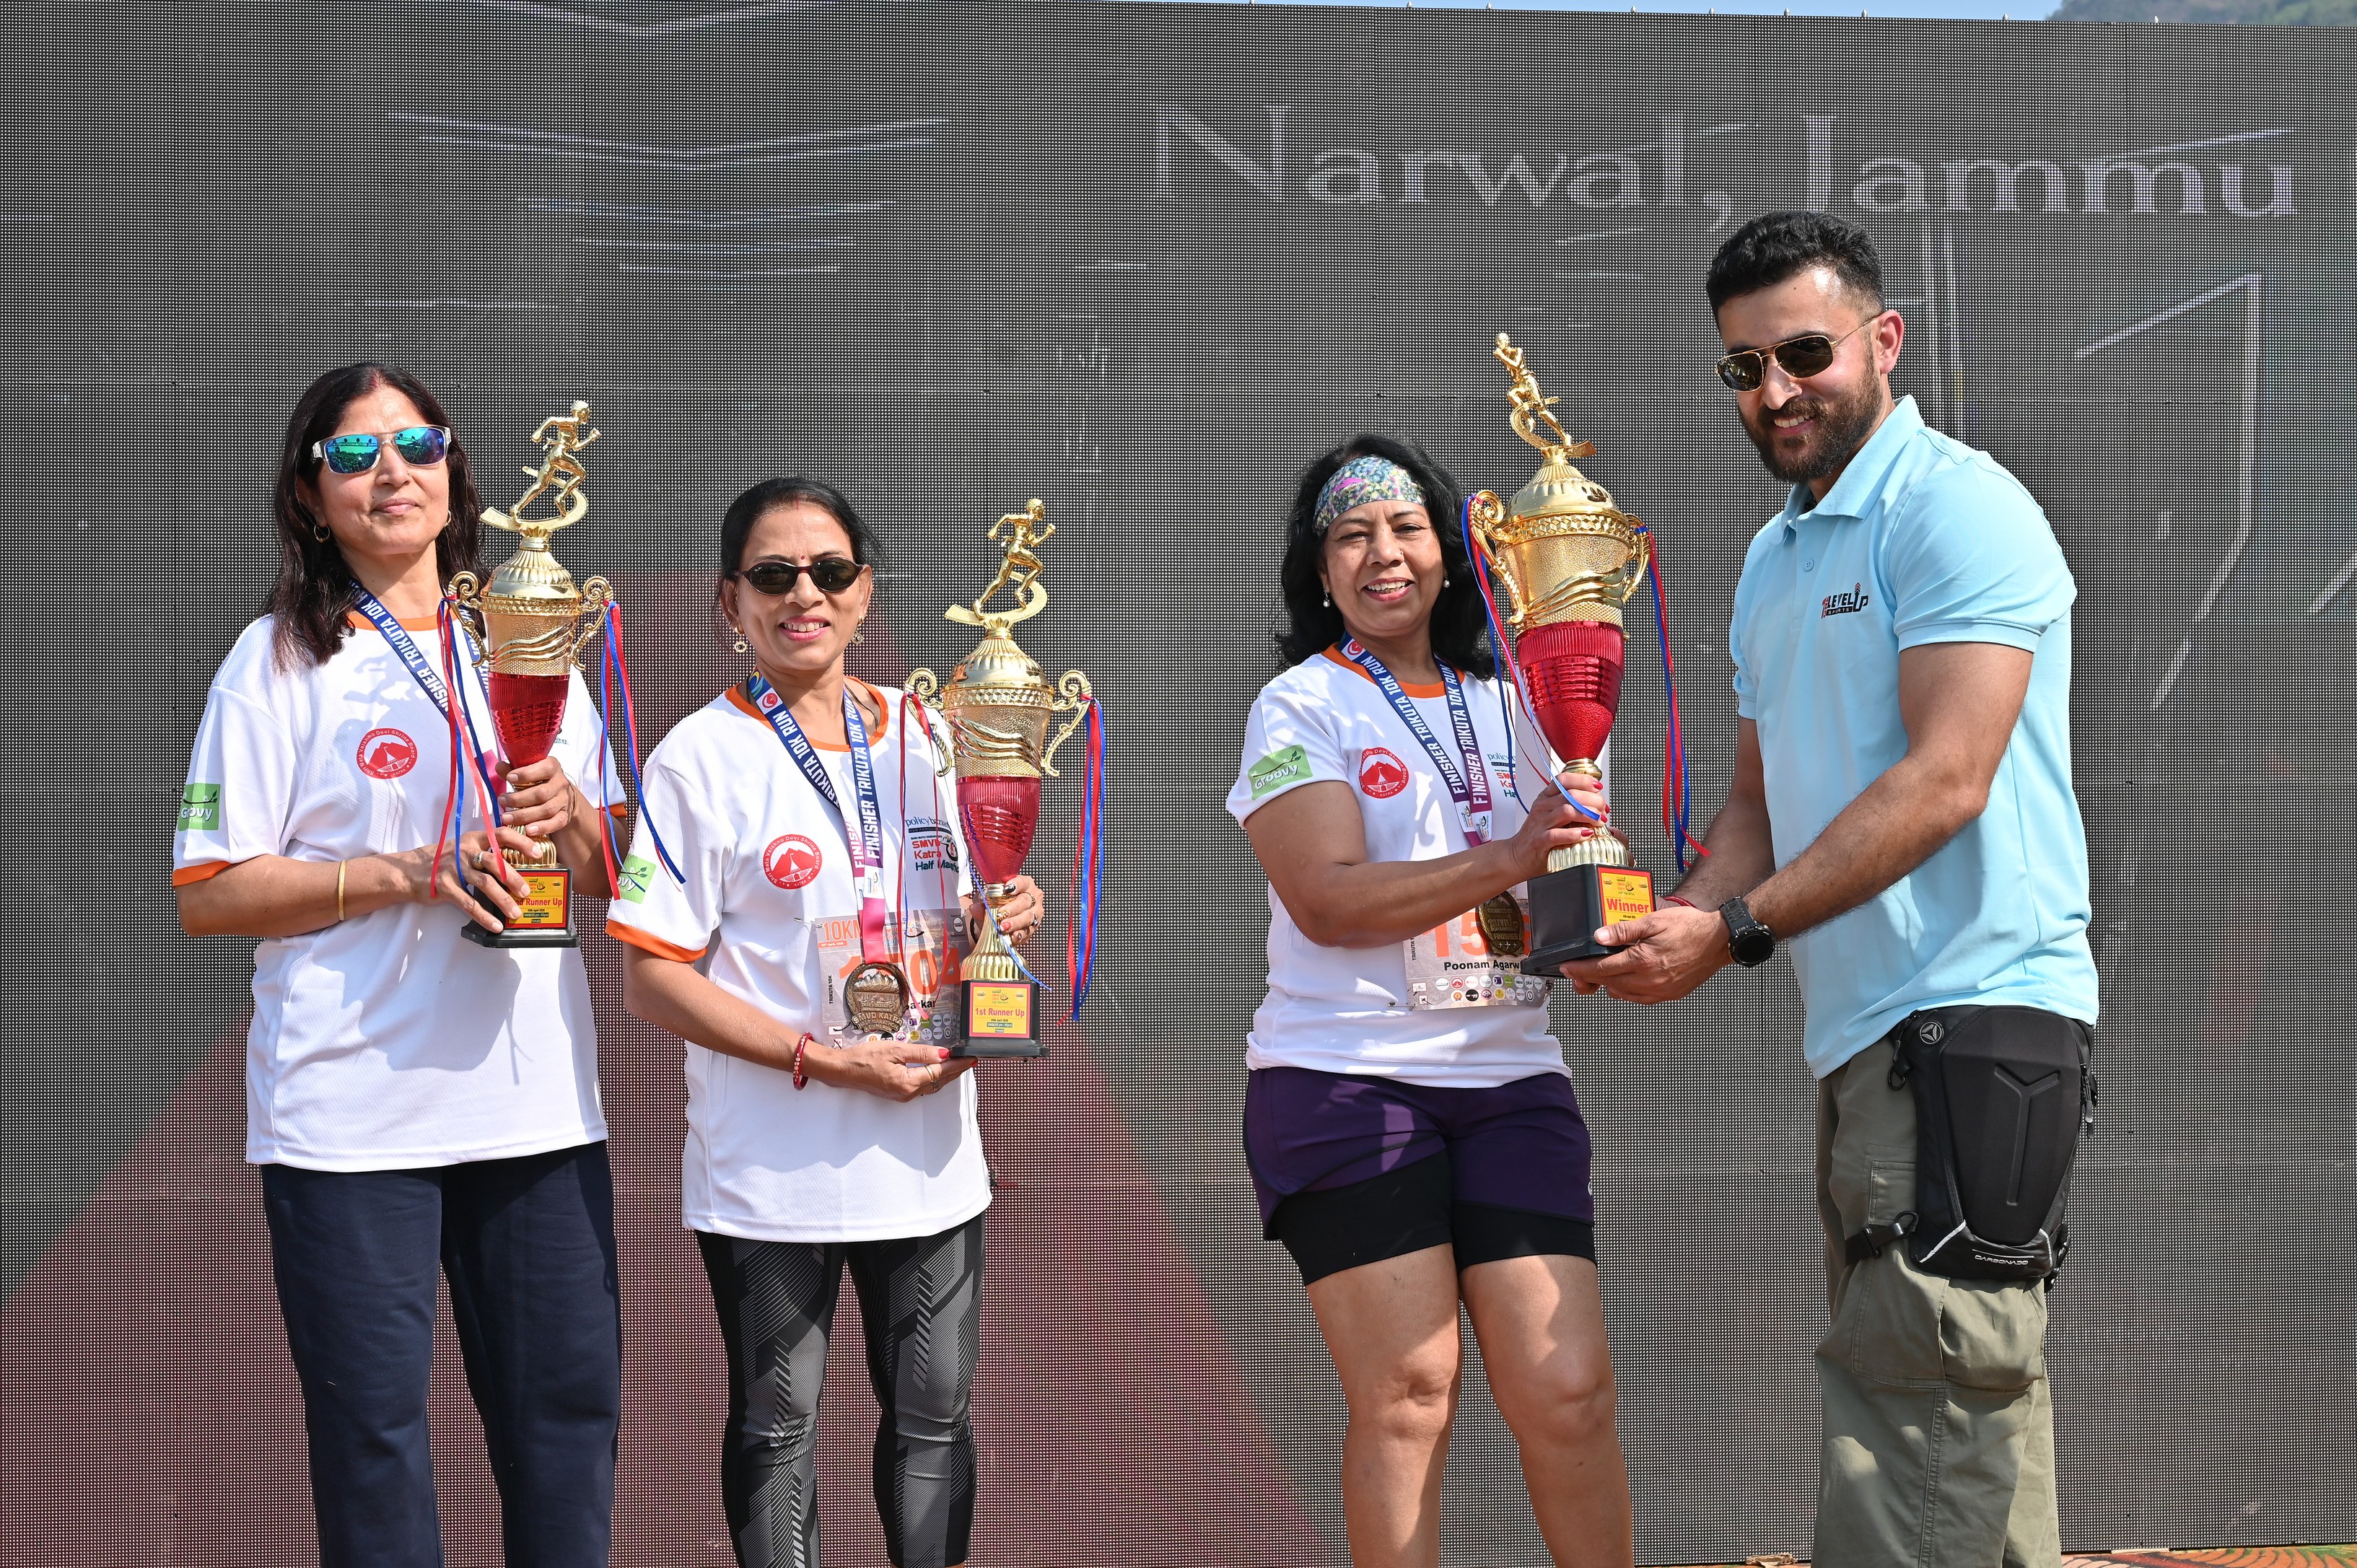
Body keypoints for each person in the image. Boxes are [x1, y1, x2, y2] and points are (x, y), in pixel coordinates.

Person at [1567, 212, 2099, 1567]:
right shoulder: (1773, 558)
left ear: (1883, 339)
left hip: (1967, 1020)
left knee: (1913, 1429)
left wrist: (1734, 931)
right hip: (1874, 1041)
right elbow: (1754, 808)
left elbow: (1946, 777)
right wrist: (1678, 915)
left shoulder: (1957, 505)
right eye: (1742, 368)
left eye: (1803, 353)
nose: (1775, 390)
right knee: (1963, 1426)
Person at [173, 364, 624, 1567]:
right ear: (309, 493)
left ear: (453, 472)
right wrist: (404, 871)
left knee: (566, 1429)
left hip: (533, 1112)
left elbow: (611, 869)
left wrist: (575, 812)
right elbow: (209, 890)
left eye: (417, 445)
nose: (391, 473)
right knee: (373, 1443)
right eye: (353, 453)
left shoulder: (526, 632)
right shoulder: (276, 658)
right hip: (351, 1116)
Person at [607, 477, 1043, 1568]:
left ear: (864, 592)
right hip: (774, 1165)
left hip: (926, 1155)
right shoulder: (698, 756)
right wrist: (821, 1058)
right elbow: (652, 978)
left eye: (830, 571)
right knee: (779, 1425)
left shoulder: (936, 730)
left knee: (935, 1418)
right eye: (774, 574)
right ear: (732, 601)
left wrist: (1003, 912)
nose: (804, 594)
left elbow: (969, 903)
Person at [1226, 437, 1635, 1568]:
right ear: (1319, 572)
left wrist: (1598, 937)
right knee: (1410, 1390)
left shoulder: (1527, 698)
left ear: (1451, 553)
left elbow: (1560, 886)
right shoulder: (1299, 703)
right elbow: (1326, 899)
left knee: (1568, 1387)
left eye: (1405, 528)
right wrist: (1508, 856)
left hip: (1509, 1078)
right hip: (1343, 1077)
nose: (1382, 553)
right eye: (1349, 535)